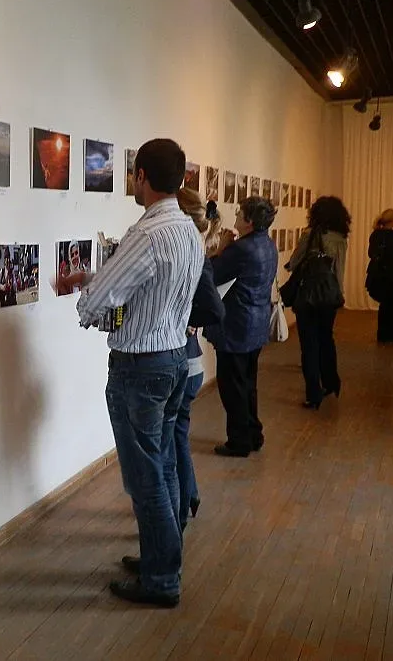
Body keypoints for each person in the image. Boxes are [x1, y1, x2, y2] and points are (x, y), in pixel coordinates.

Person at [64, 138, 203, 607]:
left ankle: (162, 578)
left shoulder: (147, 235)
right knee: (161, 468)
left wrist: (89, 294)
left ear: (140, 175)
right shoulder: (187, 229)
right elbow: (145, 288)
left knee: (145, 479)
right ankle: (162, 556)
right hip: (174, 359)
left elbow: (96, 304)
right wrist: (99, 281)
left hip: (140, 368)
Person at [207, 196, 278, 457]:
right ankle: (253, 432)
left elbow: (210, 274)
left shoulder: (242, 249)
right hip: (256, 323)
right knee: (247, 383)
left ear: (248, 221)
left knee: (232, 385)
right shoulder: (267, 244)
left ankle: (239, 441)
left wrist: (222, 246)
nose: (235, 216)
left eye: (239, 213)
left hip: (238, 326)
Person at [174, 188, 225, 530]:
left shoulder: (193, 254)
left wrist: (190, 319)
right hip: (189, 363)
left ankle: (181, 504)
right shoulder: (196, 250)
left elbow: (212, 308)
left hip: (183, 362)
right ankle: (186, 497)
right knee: (177, 434)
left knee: (173, 438)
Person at [288, 196, 350, 409]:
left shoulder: (310, 235)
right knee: (326, 338)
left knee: (309, 344)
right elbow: (339, 269)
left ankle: (313, 394)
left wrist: (291, 266)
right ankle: (331, 382)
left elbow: (295, 261)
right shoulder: (341, 238)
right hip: (330, 295)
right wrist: (338, 293)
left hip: (309, 296)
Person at [366, 209, 393, 344]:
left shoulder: (375, 235)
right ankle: (390, 335)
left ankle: (383, 335)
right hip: (391, 274)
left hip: (379, 274)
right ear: (392, 220)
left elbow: (372, 253)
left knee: (385, 304)